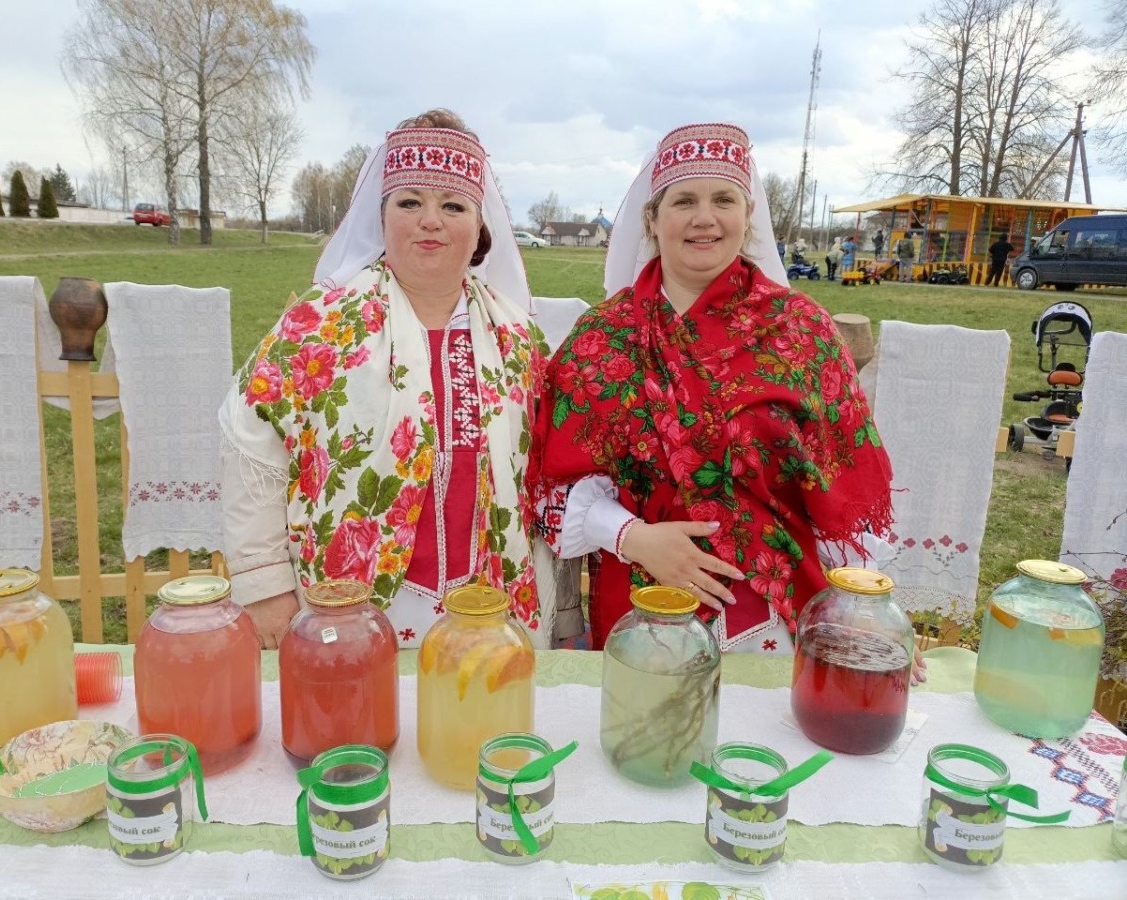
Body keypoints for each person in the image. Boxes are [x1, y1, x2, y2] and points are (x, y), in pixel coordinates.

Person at [529, 122, 898, 662]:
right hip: (639, 612)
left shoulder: (802, 331)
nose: (705, 217)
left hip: (770, 619)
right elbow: (548, 488)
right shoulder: (602, 339)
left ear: (748, 216)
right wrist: (634, 538)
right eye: (684, 200)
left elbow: (843, 479)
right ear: (653, 220)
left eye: (723, 198)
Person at [219, 109, 555, 650]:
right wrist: (264, 585)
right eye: (409, 203)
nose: (430, 220)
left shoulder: (519, 341)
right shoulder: (320, 327)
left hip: (487, 611)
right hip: (347, 610)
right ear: (381, 218)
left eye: (452, 205)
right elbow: (249, 440)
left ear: (480, 227)